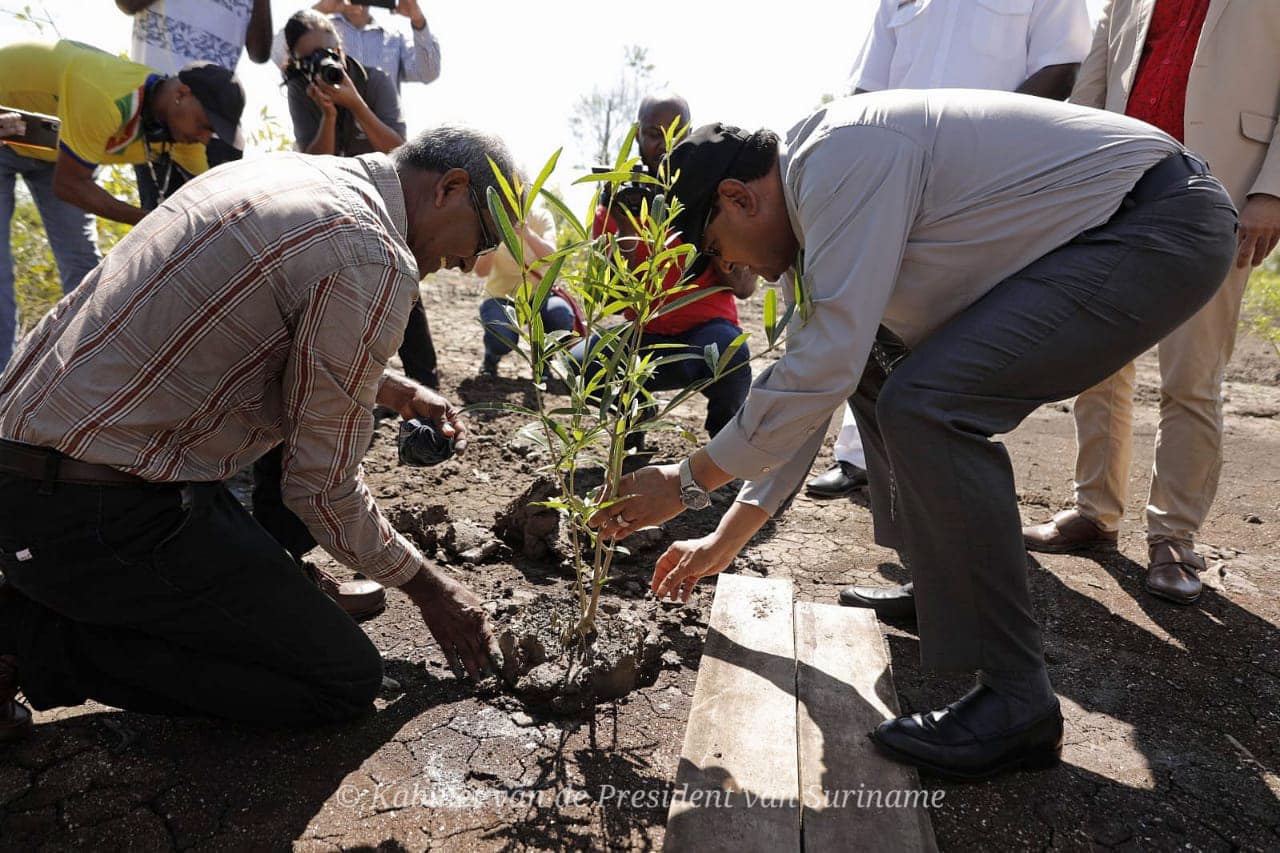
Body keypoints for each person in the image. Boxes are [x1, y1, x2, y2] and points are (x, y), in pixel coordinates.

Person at [596, 93, 1237, 780]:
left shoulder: (839, 161)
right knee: (884, 370)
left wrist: (685, 480)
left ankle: (1019, 701)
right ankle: (940, 590)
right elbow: (817, 388)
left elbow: (821, 367)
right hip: (1129, 224)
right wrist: (723, 538)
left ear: (738, 198)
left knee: (929, 404)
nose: (739, 273)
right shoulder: (818, 216)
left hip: (1157, 222)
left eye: (720, 250)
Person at [0, 125, 513, 740]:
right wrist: (431, 589)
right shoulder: (374, 252)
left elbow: (238, 333)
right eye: (480, 239)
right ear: (450, 188)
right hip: (90, 510)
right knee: (339, 678)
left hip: (38, 467)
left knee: (268, 579)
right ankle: (30, 638)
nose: (467, 262)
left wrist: (389, 384)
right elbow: (321, 489)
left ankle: (93, 592)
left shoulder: (291, 176)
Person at [832, 0, 1091, 615]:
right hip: (899, 184)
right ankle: (935, 565)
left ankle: (960, 583)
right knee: (883, 363)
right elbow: (866, 87)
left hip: (989, 187)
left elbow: (1060, 69)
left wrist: (978, 149)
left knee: (938, 387)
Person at [1022, 0, 1280, 605]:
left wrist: (1272, 190)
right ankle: (1094, 511)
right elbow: (1092, 84)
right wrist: (1065, 179)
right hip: (1120, 187)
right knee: (1097, 360)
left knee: (1191, 375)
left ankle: (1173, 538)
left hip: (1226, 189)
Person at [0, 40, 243, 369]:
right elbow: (70, 186)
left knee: (82, 265)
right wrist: (149, 219)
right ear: (181, 94)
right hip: (8, 120)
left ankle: (83, 368)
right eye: (204, 124)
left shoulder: (180, 131)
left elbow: (202, 212)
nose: (203, 137)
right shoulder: (104, 94)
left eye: (212, 131)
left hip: (54, 145)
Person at [570, 93, 758, 440]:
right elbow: (617, 300)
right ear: (638, 136)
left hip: (705, 337)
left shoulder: (716, 192)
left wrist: (709, 221)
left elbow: (745, 288)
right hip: (644, 337)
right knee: (579, 363)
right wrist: (626, 225)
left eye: (676, 132)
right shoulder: (616, 200)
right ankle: (637, 422)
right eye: (654, 134)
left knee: (732, 353)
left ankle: (724, 444)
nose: (666, 144)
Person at [116, 0, 273, 209]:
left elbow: (259, 53)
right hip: (159, 114)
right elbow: (128, 4)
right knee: (164, 222)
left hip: (215, 119)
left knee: (224, 220)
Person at [474, 202, 576, 378]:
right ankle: (492, 357)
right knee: (501, 340)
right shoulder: (493, 220)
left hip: (539, 295)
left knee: (560, 315)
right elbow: (480, 271)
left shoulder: (540, 217)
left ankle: (543, 363)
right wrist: (497, 236)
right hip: (500, 296)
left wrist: (526, 233)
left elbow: (552, 256)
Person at [271, 0, 440, 93]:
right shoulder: (318, 32)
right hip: (325, 144)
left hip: (381, 147)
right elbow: (277, 53)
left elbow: (429, 73)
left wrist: (418, 19)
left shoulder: (394, 39)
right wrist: (320, 9)